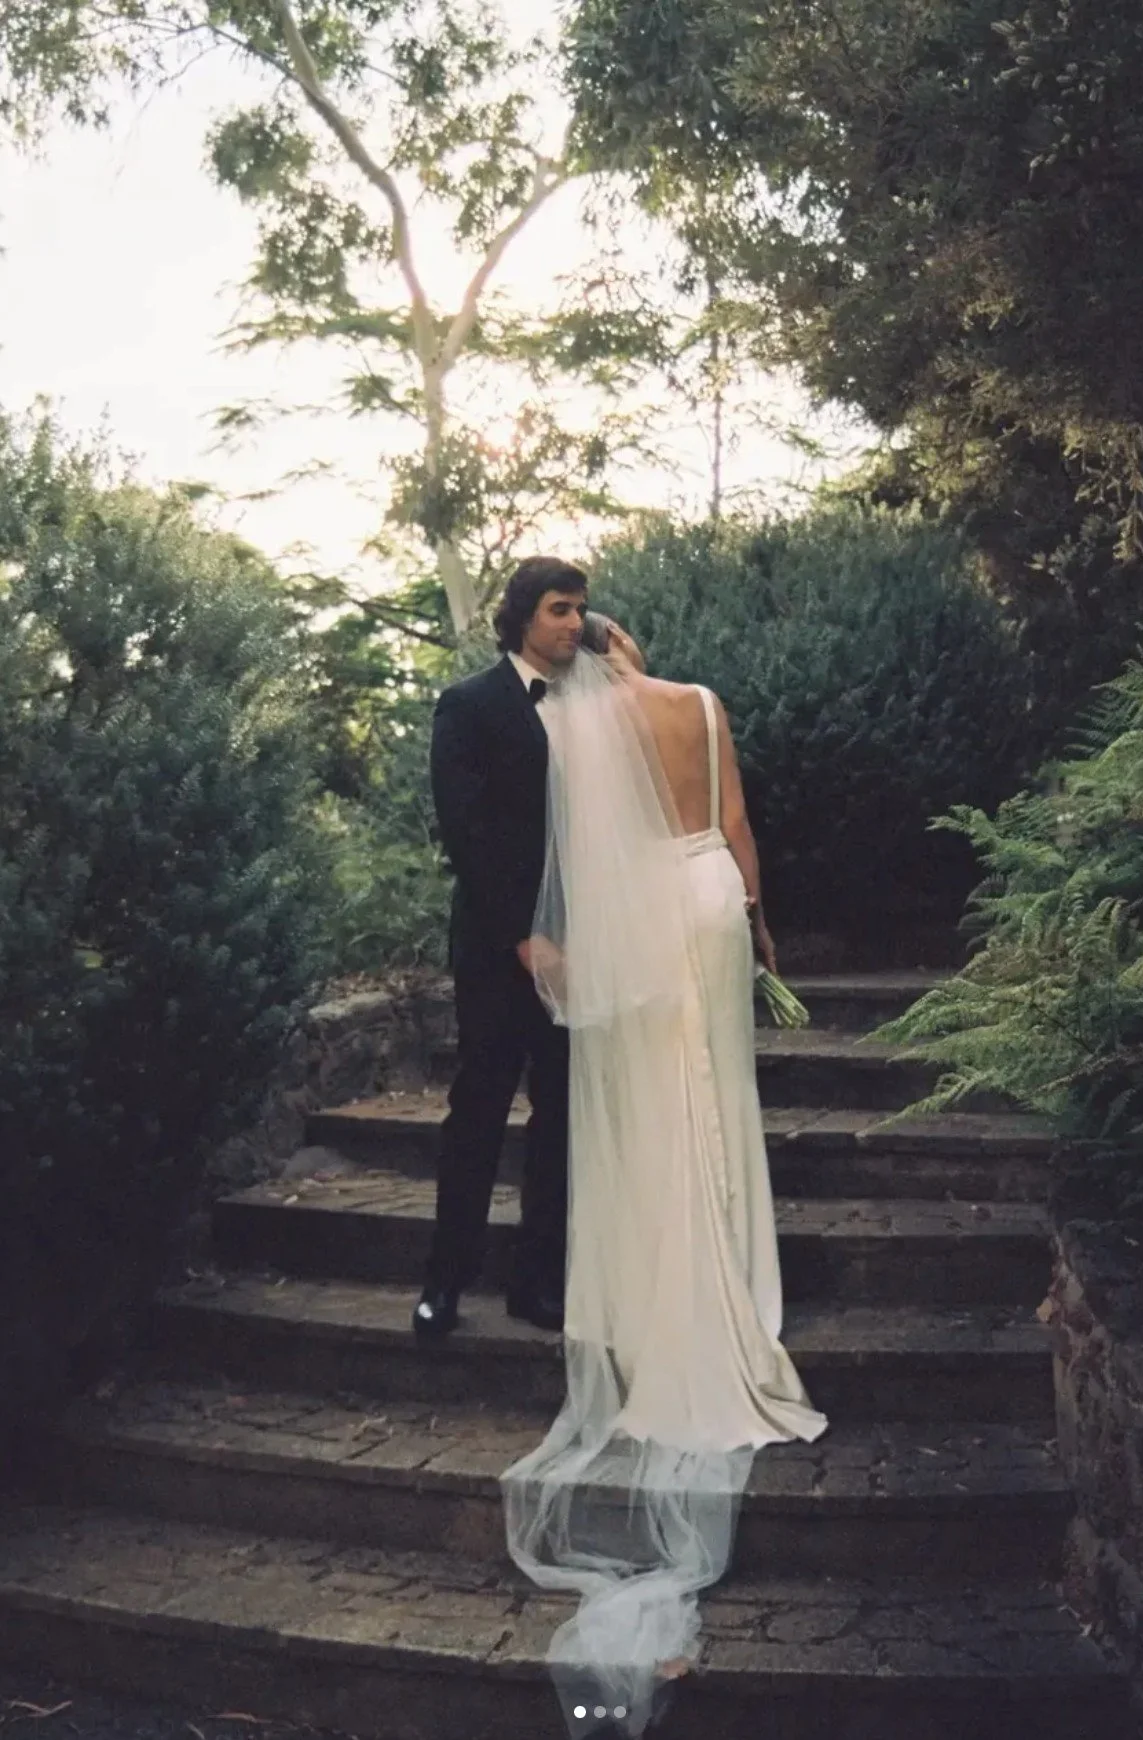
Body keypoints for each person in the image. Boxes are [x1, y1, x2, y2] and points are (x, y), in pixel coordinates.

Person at [500, 624, 829, 1738]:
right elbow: (736, 828)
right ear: (632, 644)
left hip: (640, 914)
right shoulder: (700, 699)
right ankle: (734, 1276)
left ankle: (665, 1292)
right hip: (708, 900)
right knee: (720, 1094)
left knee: (650, 1107)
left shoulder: (578, 722)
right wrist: (758, 919)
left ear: (582, 656)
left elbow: (574, 855)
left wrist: (559, 944)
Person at [414, 556, 588, 1339]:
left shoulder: (591, 707)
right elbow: (468, 834)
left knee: (559, 1118)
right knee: (478, 1110)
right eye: (560, 609)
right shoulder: (469, 705)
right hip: (496, 948)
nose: (575, 624)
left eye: (581, 609)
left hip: (581, 947)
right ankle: (443, 1282)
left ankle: (536, 1282)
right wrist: (524, 937)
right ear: (523, 617)